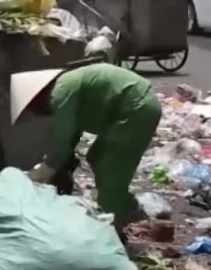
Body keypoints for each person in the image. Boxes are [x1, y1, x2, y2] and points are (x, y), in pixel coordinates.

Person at [11, 63, 161, 235]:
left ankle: (113, 231)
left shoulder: (60, 94)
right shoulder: (66, 86)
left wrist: (47, 168)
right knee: (96, 156)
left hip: (136, 108)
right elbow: (72, 134)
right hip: (133, 105)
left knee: (110, 167)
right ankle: (127, 207)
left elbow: (63, 135)